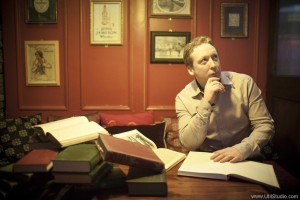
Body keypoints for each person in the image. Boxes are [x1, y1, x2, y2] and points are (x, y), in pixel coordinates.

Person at [175, 36, 275, 163]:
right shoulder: (183, 98)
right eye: (204, 61)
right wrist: (206, 102)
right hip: (209, 160)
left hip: (245, 158)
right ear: (190, 69)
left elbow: (265, 125)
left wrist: (242, 149)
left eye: (215, 57)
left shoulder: (245, 83)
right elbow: (189, 144)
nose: (213, 65)